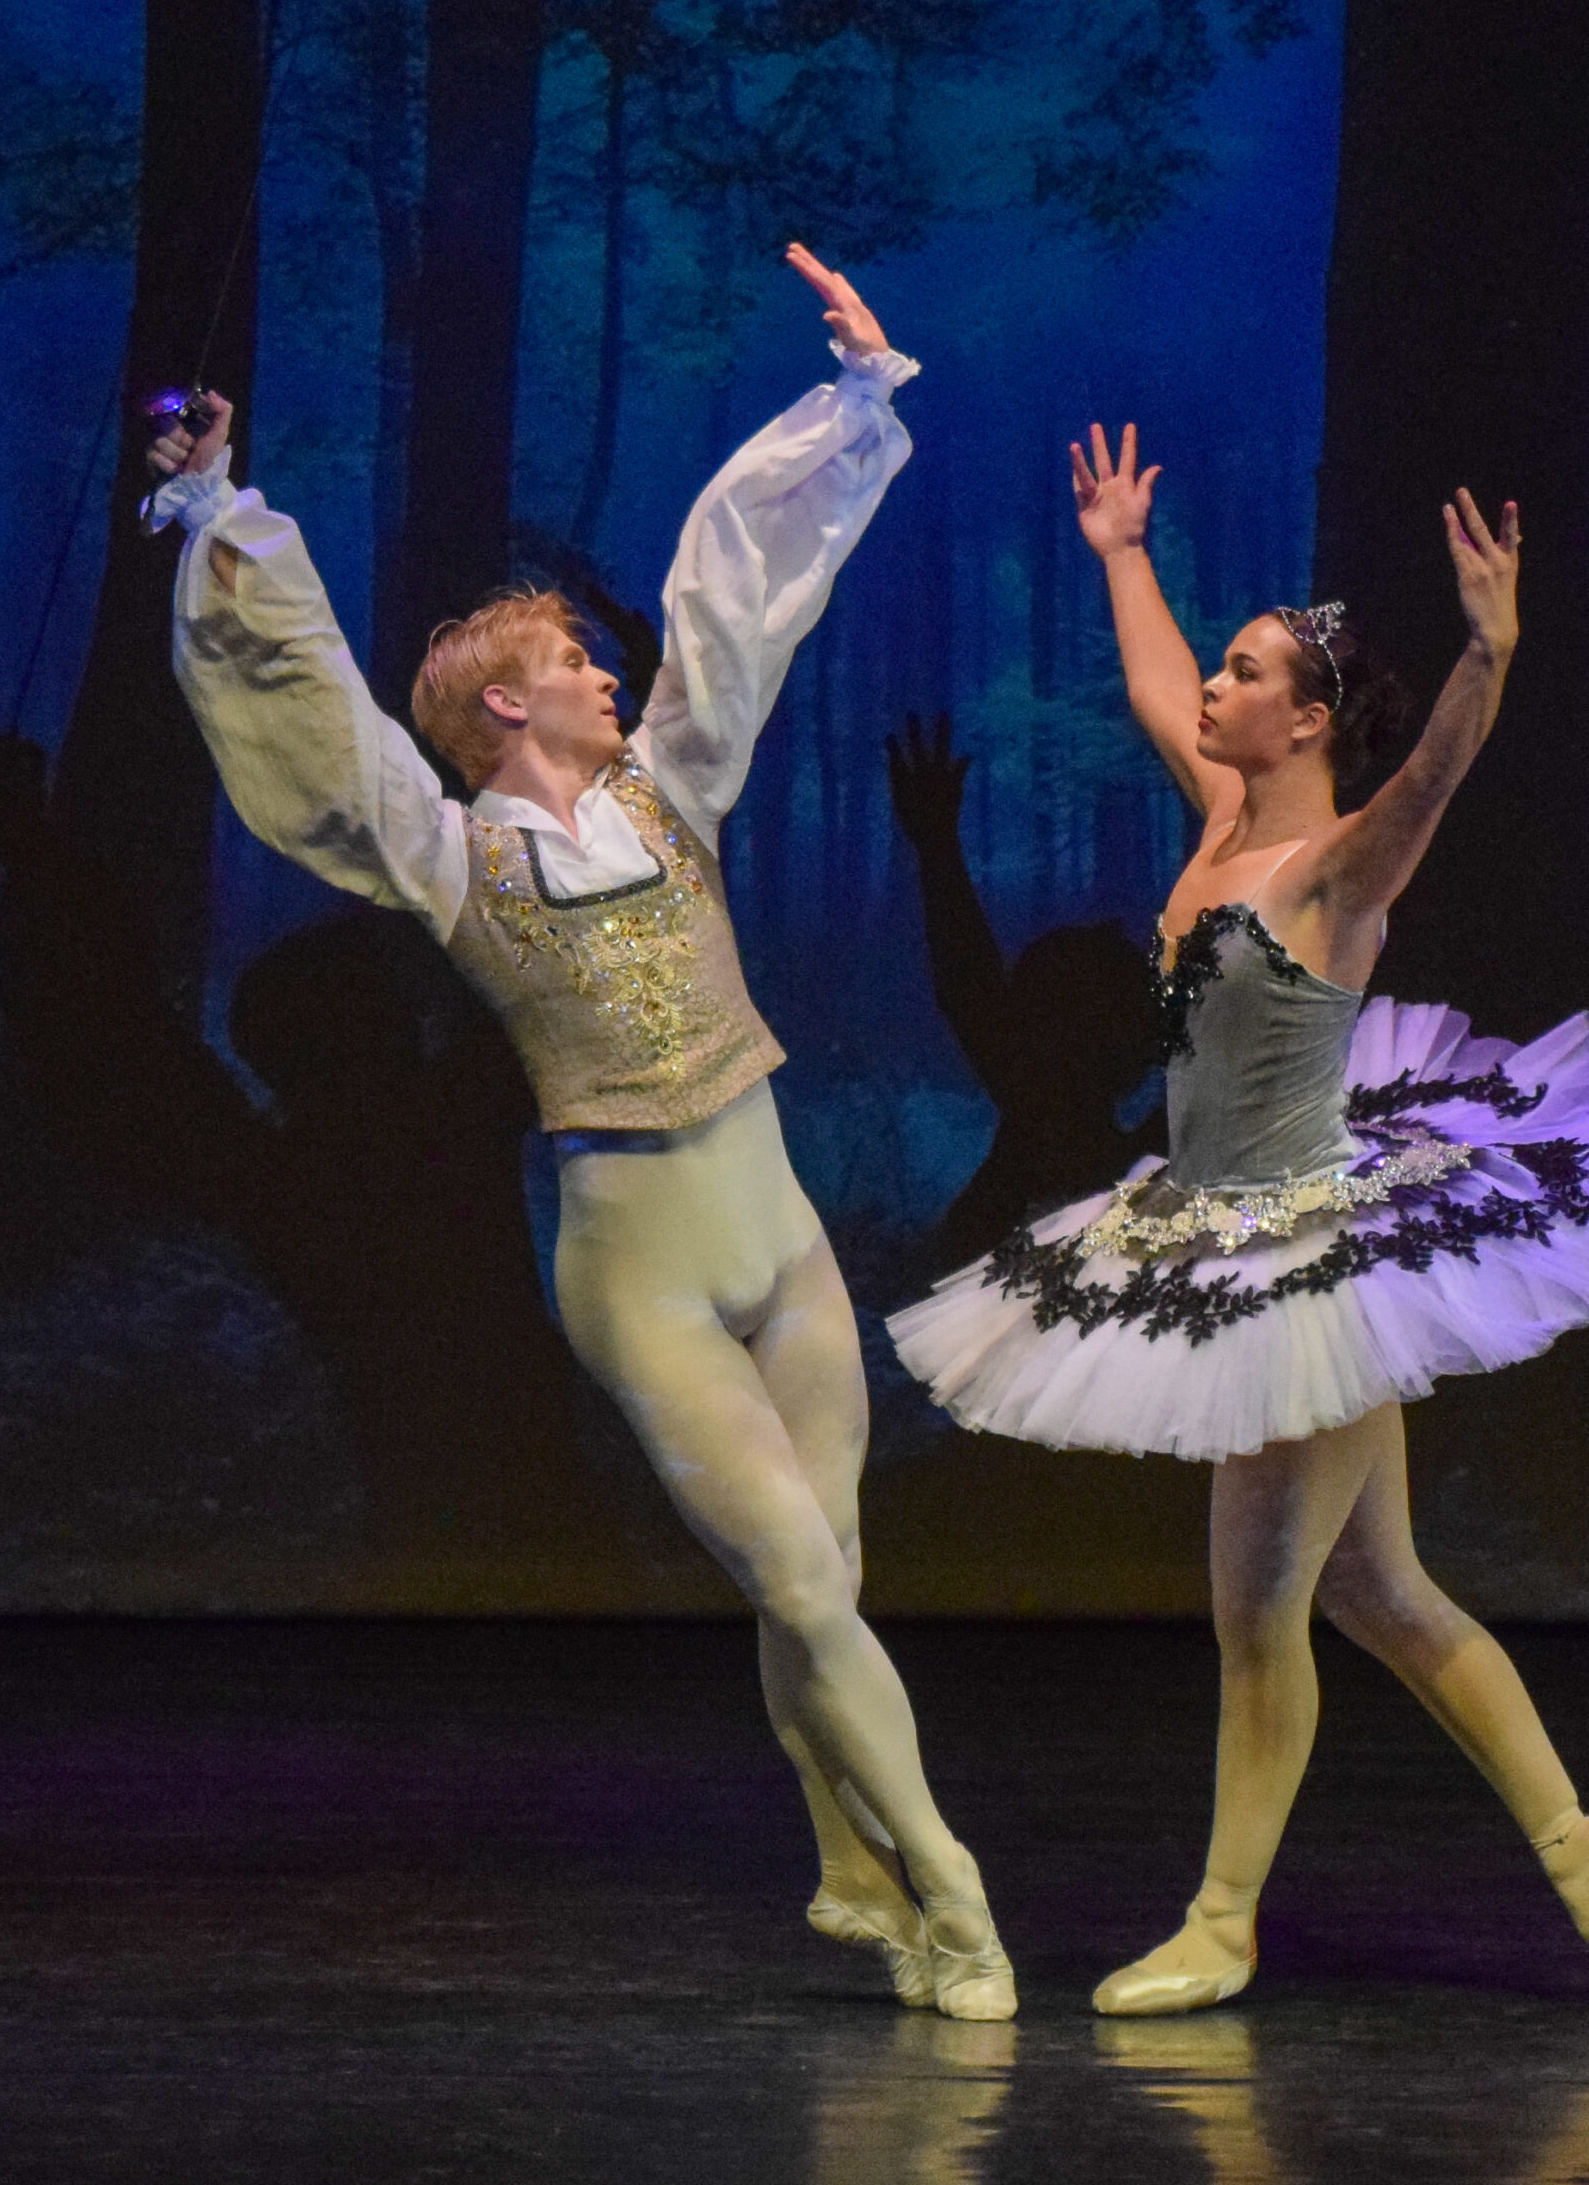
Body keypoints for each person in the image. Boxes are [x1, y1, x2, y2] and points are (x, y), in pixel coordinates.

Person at [142, 247, 1014, 2020]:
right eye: (573, 664)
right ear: (502, 706)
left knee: (823, 1582)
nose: (610, 676)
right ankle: (953, 1890)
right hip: (642, 1273)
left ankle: (846, 1867)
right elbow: (315, 715)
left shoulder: (669, 789)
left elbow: (732, 592)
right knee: (796, 1579)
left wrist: (856, 395)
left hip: (781, 1241)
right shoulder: (452, 853)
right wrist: (220, 507)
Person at [890, 424, 1589, 2017]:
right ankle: (1580, 1844)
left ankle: (1220, 1921)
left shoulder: (1332, 871)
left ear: (1307, 718)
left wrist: (1487, 653)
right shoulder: (1218, 820)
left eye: (1244, 673)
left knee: (1257, 1613)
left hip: (1299, 1255)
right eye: (1224, 666)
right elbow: (1150, 683)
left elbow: (1435, 776)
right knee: (1378, 1593)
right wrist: (1122, 554)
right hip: (1210, 1222)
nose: (1214, 685)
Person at [884, 712, 1161, 1272]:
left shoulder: (1020, 1087)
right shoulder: (1156, 1160)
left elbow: (970, 985)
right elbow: (971, 985)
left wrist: (937, 846)